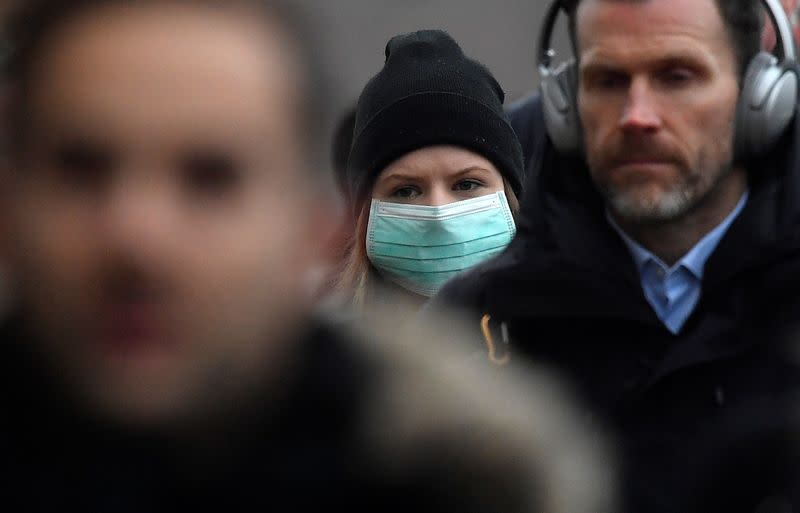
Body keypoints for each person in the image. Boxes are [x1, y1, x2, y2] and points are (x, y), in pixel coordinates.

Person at [0, 1, 614, 512]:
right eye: (81, 170)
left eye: (211, 178)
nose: (139, 239)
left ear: (309, 227)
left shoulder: (458, 473)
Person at [431, 0, 800, 511]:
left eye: (677, 76)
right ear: (565, 105)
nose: (636, 117)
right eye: (608, 81)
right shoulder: (473, 328)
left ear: (762, 97)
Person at [338, 30, 525, 310]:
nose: (439, 213)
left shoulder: (570, 342)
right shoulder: (314, 351)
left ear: (510, 197)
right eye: (406, 190)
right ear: (364, 214)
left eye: (466, 184)